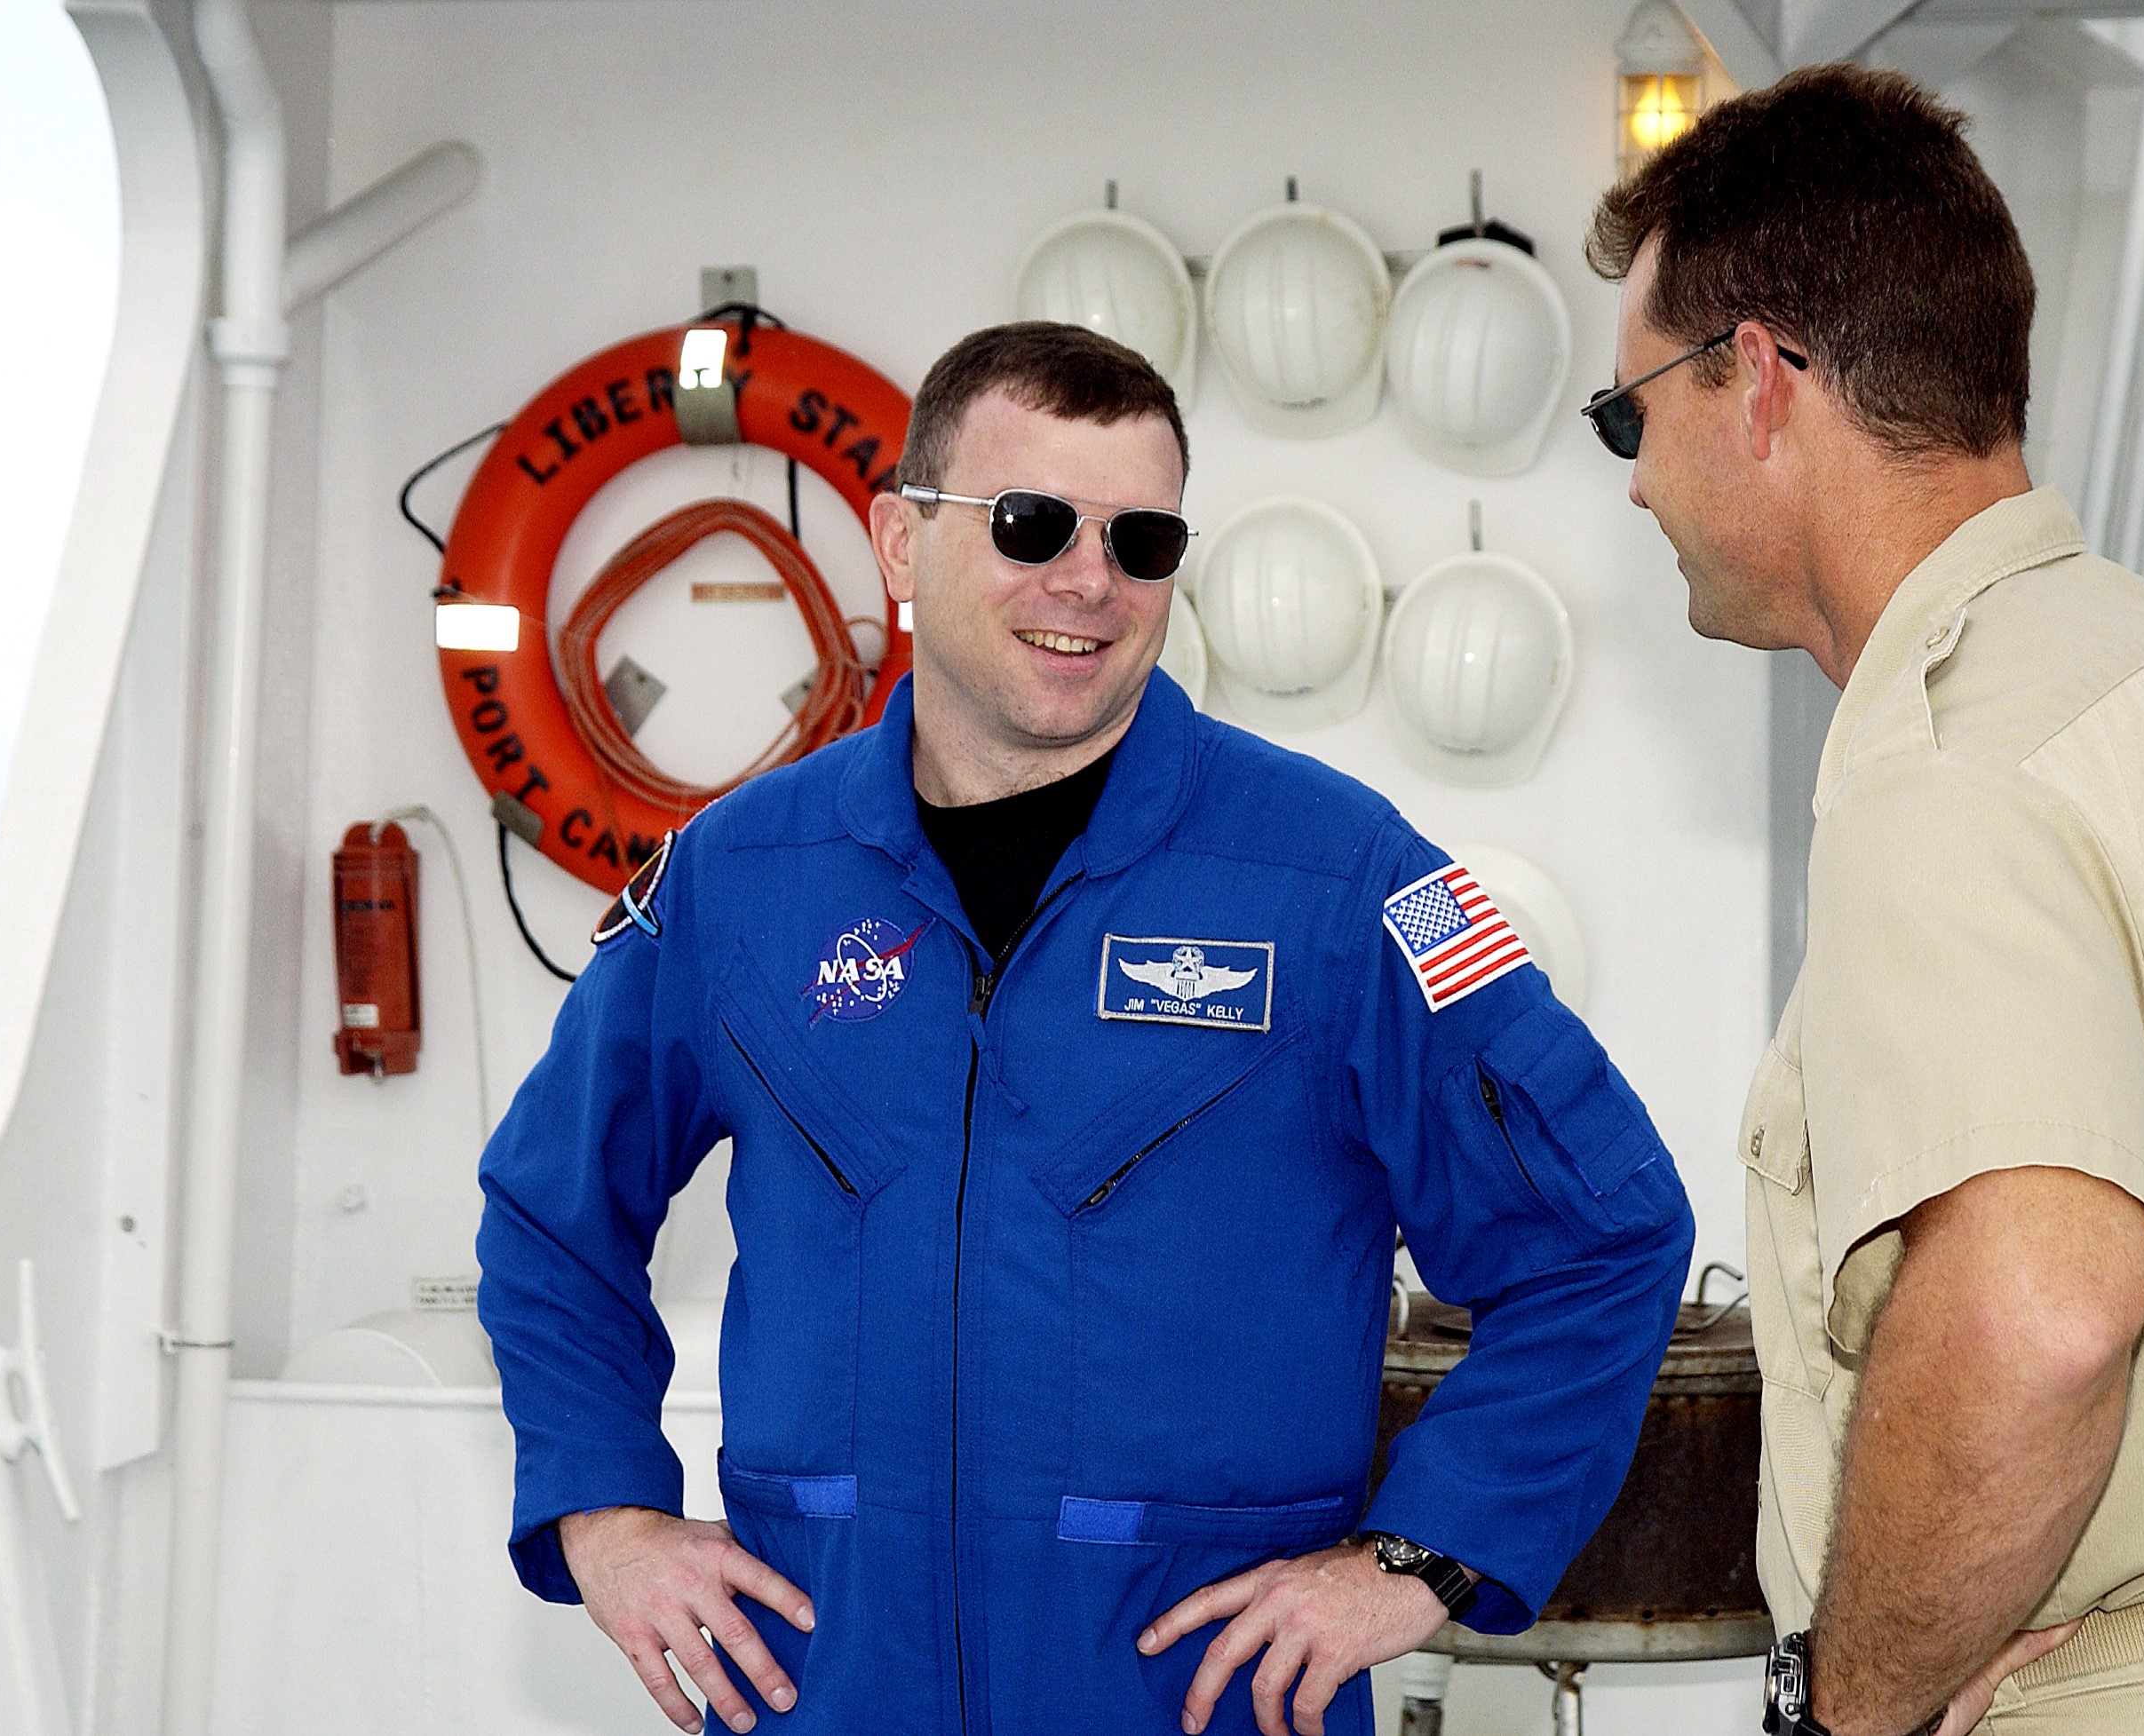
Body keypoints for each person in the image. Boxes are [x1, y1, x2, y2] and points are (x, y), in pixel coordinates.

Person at [475, 321, 1695, 1736]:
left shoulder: (1343, 881)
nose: (1089, 581)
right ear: (898, 543)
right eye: (1032, 523)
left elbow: (1603, 1235)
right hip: (833, 1687)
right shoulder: (738, 884)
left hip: (1193, 1700)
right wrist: (606, 1511)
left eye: (1143, 541)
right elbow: (550, 1209)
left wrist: (1422, 1555)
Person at [1579, 64, 2144, 1736]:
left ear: (1756, 381)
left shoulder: (1946, 760)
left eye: (1630, 416)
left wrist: (1858, 1705)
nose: (1633, 482)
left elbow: (2042, 1317)